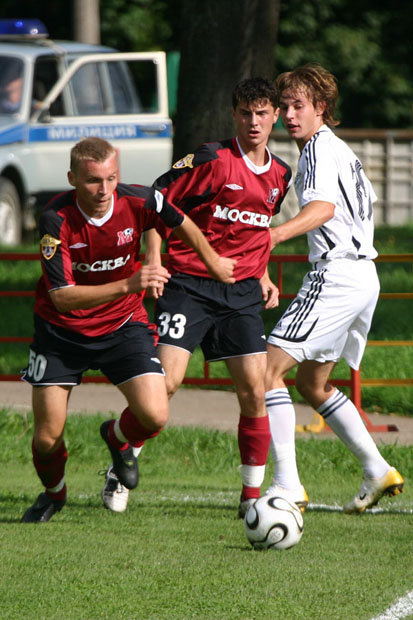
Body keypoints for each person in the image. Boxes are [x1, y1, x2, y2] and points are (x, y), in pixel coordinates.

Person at [101, 77, 293, 516]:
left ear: (275, 117)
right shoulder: (211, 159)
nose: (254, 122)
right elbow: (155, 203)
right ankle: (119, 444)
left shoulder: (280, 175)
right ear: (234, 115)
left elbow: (256, 231)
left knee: (255, 391)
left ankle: (251, 501)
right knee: (166, 384)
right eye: (246, 113)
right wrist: (153, 261)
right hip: (188, 284)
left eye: (262, 113)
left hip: (241, 292)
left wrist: (263, 273)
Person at [21, 136, 235, 523]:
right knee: (47, 438)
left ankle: (116, 437)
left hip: (122, 325)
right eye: (92, 180)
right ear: (72, 178)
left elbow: (180, 221)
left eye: (110, 178)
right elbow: (62, 298)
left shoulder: (140, 200)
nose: (104, 189)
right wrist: (130, 283)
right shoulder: (55, 219)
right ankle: (54, 494)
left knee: (155, 414)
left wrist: (214, 262)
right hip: (61, 333)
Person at [264, 63, 404, 514]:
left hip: (337, 275)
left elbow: (324, 208)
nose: (289, 115)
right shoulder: (338, 149)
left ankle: (287, 486)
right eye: (284, 106)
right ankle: (377, 469)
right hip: (361, 275)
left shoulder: (318, 151)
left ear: (321, 107)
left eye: (298, 106)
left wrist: (275, 235)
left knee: (267, 371)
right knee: (312, 383)